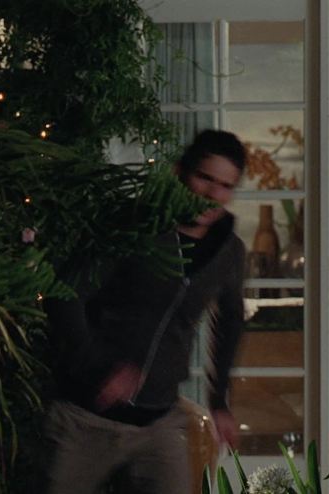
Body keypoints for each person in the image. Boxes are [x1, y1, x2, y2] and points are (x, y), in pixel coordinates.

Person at [43, 129, 247, 494]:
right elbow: (65, 296)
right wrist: (99, 367)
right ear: (179, 172)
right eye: (205, 178)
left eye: (225, 186)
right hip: (87, 418)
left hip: (159, 422)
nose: (213, 194)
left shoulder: (228, 251)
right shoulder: (133, 226)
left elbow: (230, 321)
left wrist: (219, 401)